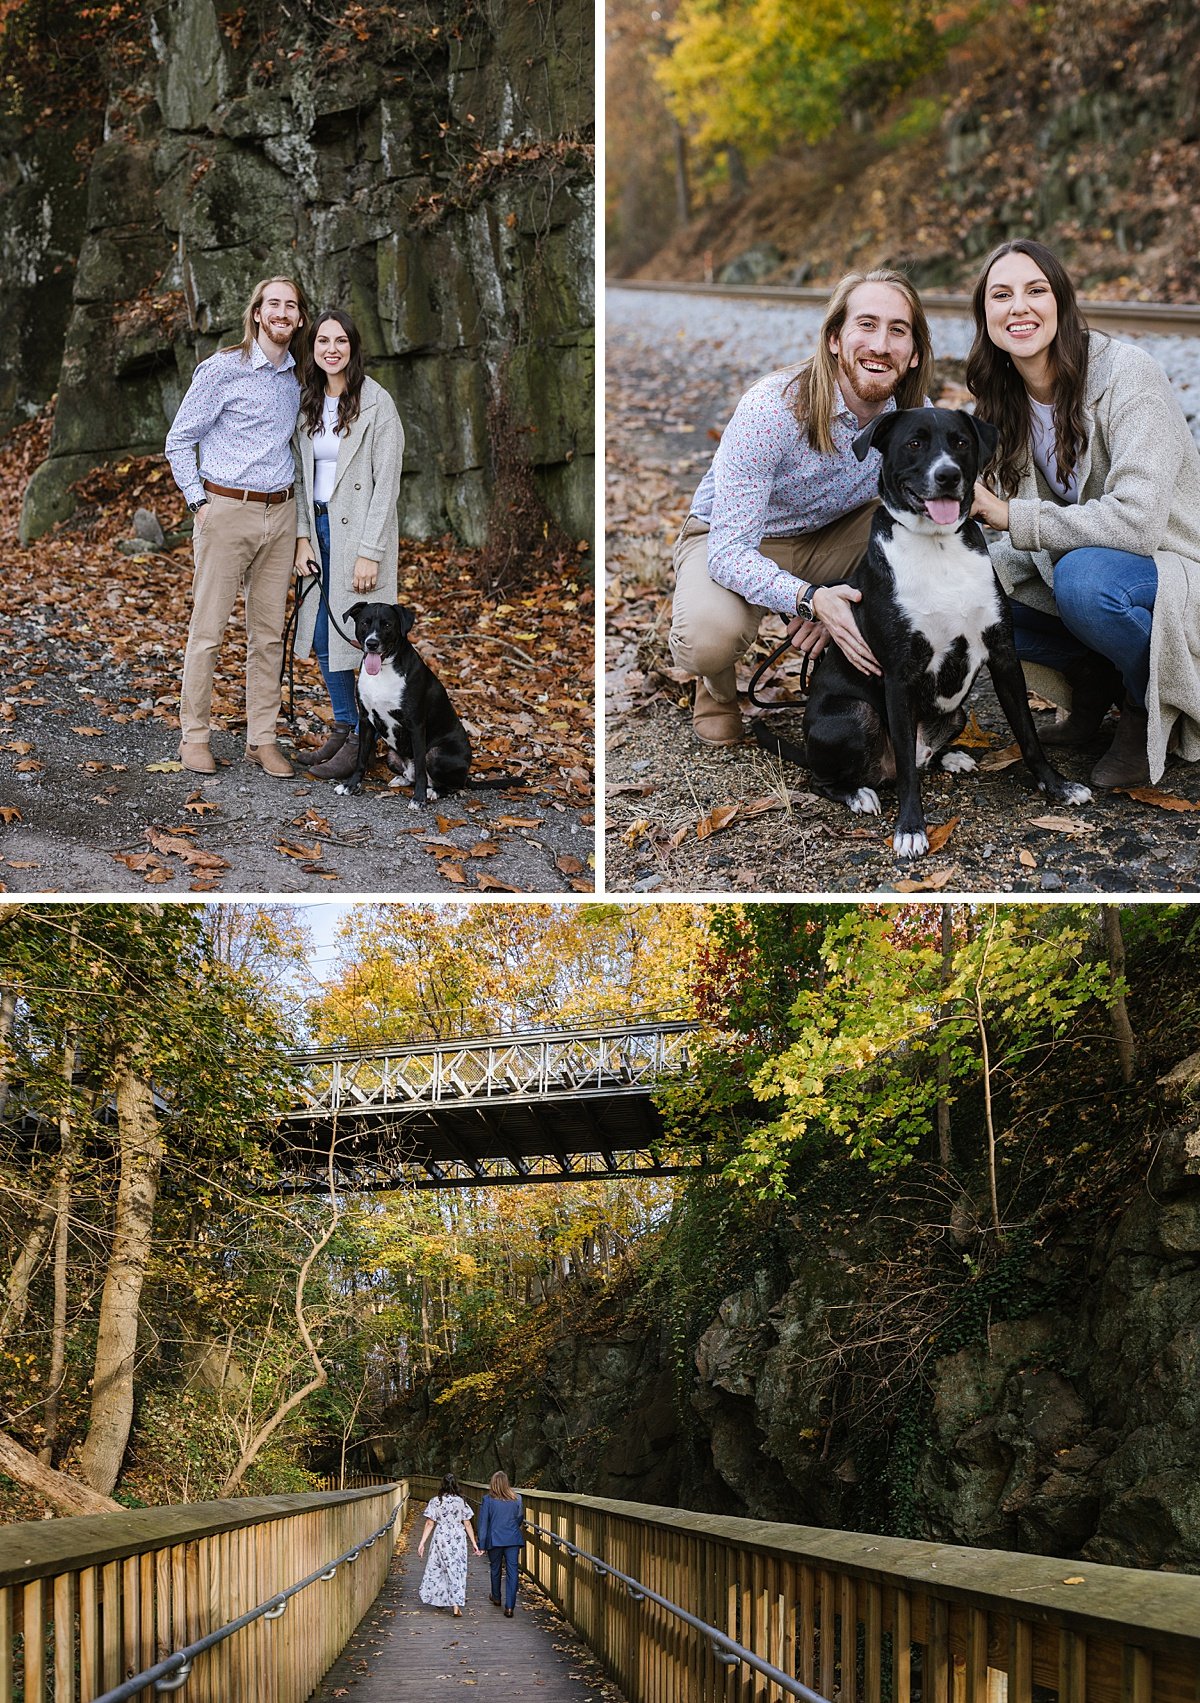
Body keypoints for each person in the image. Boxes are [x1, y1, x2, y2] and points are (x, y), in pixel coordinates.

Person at [967, 238, 1200, 788]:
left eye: (1035, 290)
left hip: (1172, 567)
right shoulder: (1006, 400)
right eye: (1001, 295)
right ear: (985, 316)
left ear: (1062, 303)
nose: (1018, 306)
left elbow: (1138, 523)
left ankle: (1148, 710)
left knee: (1085, 579)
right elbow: (1006, 539)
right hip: (1081, 563)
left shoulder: (1127, 376)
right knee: (973, 591)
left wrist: (1009, 516)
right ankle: (1094, 680)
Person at [669, 269, 936, 744]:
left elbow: (936, 519)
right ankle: (715, 688)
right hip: (735, 535)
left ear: (914, 354)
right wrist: (810, 600)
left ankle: (864, 681)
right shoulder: (772, 408)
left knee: (923, 533)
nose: (880, 344)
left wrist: (849, 599)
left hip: (836, 537)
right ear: (835, 339)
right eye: (866, 325)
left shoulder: (914, 418)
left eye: (897, 330)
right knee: (706, 639)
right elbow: (730, 551)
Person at [166, 275, 310, 777]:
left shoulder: (300, 378)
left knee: (267, 636)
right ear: (256, 313)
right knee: (207, 633)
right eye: (274, 304)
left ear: (298, 319)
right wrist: (199, 505)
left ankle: (262, 740)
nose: (282, 313)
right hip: (225, 512)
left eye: (291, 306)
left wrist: (298, 531)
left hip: (281, 513)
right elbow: (179, 440)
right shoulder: (220, 370)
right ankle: (195, 736)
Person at [292, 308, 405, 780]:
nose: (331, 349)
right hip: (319, 529)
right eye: (322, 341)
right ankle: (345, 729)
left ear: (353, 348)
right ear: (313, 348)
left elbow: (387, 484)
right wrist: (302, 536)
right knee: (322, 635)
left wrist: (370, 552)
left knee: (359, 639)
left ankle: (363, 737)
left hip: (359, 533)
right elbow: (300, 477)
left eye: (340, 341)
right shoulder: (308, 403)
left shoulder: (377, 404)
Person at [416, 1473, 482, 1617]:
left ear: (442, 1485)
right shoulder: (461, 1502)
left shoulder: (435, 1501)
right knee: (456, 1569)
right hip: (458, 1537)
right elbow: (467, 1523)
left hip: (441, 1537)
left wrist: (422, 1542)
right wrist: (474, 1543)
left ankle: (441, 1600)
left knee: (439, 1567)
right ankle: (454, 1604)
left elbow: (429, 1523)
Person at [476, 1469, 524, 1617]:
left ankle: (496, 1597)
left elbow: (483, 1523)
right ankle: (510, 1606)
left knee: (495, 1568)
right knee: (512, 1571)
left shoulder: (488, 1500)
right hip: (512, 1539)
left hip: (495, 1539)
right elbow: (519, 1518)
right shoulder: (518, 1498)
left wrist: (482, 1545)